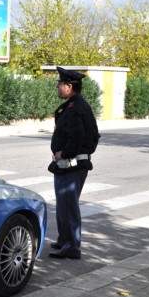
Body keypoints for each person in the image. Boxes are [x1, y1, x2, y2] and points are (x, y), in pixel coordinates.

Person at [47, 67, 100, 260]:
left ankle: (72, 246)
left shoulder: (76, 108)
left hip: (71, 164)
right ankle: (64, 240)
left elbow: (79, 136)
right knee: (64, 205)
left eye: (60, 84)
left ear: (69, 86)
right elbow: (94, 135)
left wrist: (66, 154)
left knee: (68, 207)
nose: (58, 86)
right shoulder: (75, 105)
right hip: (71, 163)